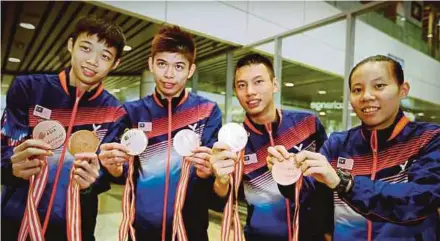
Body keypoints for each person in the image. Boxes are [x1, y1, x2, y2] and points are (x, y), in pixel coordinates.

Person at [1, 15, 126, 240]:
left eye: (105, 56)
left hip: (75, 227)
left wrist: (92, 182)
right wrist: (11, 166)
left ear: (115, 63)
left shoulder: (114, 111)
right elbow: (4, 148)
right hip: (16, 222)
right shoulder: (28, 89)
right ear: (71, 45)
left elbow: (105, 174)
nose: (92, 61)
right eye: (85, 48)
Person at [99, 25, 225, 241]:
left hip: (191, 229)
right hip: (142, 229)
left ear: (191, 70)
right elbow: (121, 171)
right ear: (151, 64)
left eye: (178, 66)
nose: (169, 74)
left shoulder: (207, 111)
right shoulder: (132, 112)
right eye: (162, 64)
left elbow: (213, 174)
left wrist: (209, 170)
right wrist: (114, 167)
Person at [294, 55, 440, 241]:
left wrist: (346, 184)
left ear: (403, 90)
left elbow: (420, 199)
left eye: (379, 86)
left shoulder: (429, 139)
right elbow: (308, 195)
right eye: (357, 89)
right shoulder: (338, 143)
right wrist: (287, 172)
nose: (367, 96)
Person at [210, 53, 332, 241]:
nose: (250, 91)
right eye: (242, 85)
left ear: (274, 84)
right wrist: (220, 179)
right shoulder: (234, 142)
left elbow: (327, 185)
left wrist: (329, 231)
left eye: (258, 82)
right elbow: (220, 202)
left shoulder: (308, 124)